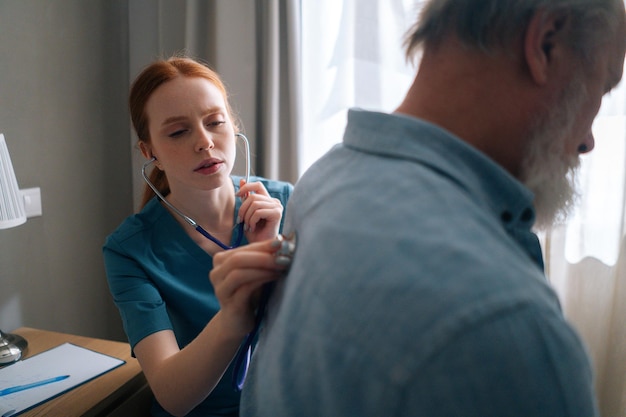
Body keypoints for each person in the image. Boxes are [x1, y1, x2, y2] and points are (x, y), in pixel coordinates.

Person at [211, 0, 626, 416]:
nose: (588, 140)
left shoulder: (321, 182)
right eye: (602, 85)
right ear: (547, 43)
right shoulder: (507, 326)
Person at [102, 56, 293, 417]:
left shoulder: (288, 204)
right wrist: (236, 312)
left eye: (215, 123)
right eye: (178, 132)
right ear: (150, 152)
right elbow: (173, 396)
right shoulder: (129, 251)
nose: (205, 143)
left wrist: (275, 254)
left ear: (233, 125)